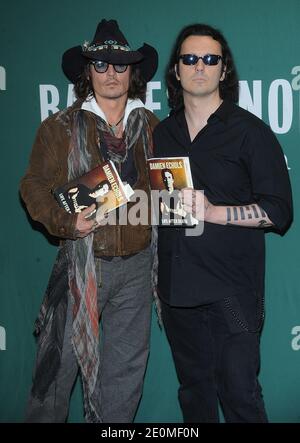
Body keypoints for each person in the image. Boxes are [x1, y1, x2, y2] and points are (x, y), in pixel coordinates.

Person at [20, 19, 159, 423]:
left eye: (119, 65)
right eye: (100, 65)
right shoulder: (60, 127)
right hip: (82, 264)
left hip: (137, 267)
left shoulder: (151, 125)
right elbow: (32, 185)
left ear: (133, 72)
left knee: (124, 376)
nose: (111, 73)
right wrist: (67, 222)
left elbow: (167, 186)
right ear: (87, 72)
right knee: (55, 371)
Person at [153, 23, 293, 423]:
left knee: (240, 395)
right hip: (178, 293)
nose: (200, 66)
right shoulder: (162, 134)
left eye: (210, 59)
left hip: (234, 293)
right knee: (194, 398)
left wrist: (214, 211)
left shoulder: (251, 132)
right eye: (190, 59)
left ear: (224, 70)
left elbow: (279, 211)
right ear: (176, 71)